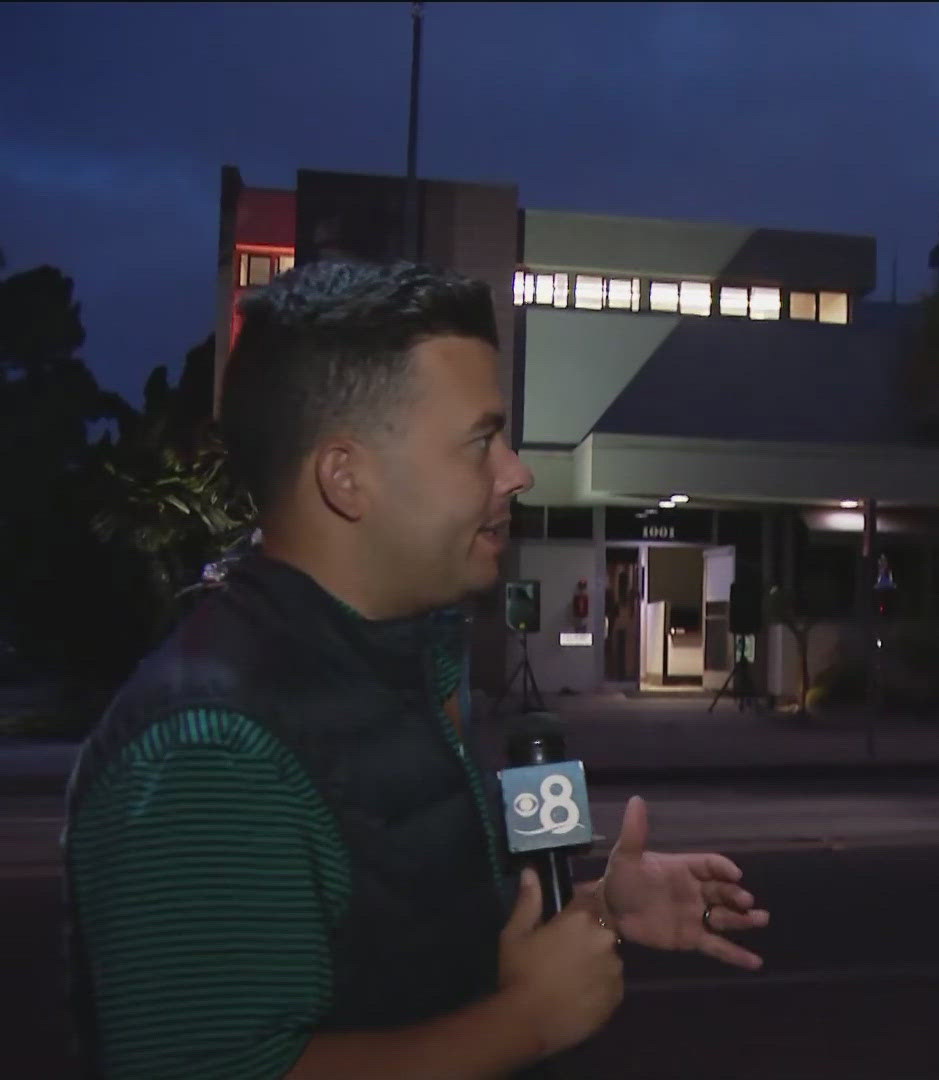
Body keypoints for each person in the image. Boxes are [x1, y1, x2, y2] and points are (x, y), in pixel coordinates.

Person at [62, 261, 770, 1079]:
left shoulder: (412, 659)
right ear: (346, 476)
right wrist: (524, 1026)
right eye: (481, 440)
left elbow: (417, 933)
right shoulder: (210, 748)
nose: (516, 470)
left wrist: (597, 910)